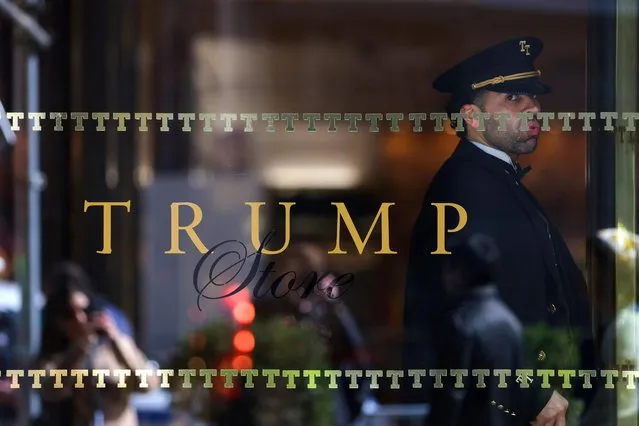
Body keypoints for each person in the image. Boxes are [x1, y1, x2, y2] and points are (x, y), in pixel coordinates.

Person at [402, 36, 595, 425]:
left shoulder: (495, 180)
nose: (533, 108)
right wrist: (536, 393)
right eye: (513, 98)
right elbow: (457, 310)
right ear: (473, 118)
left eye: (533, 98)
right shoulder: (462, 186)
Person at [36, 266, 158, 426]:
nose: (80, 320)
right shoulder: (56, 355)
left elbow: (148, 385)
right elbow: (49, 387)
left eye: (84, 310)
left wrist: (115, 341)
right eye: (69, 315)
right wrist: (79, 349)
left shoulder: (115, 346)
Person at [430, 233, 526, 426]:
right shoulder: (512, 322)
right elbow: (520, 395)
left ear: (458, 274)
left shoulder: (460, 323)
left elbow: (450, 399)